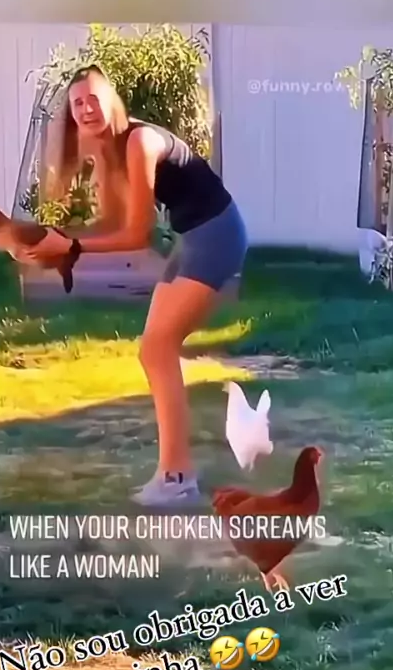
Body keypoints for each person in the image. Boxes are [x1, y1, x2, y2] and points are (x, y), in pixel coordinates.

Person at [18, 65, 250, 506]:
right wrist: (56, 240)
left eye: (93, 98)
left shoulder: (139, 142)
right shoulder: (108, 152)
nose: (86, 109)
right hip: (193, 237)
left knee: (159, 348)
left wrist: (69, 247)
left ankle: (177, 478)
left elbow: (135, 235)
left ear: (112, 101)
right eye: (77, 104)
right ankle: (175, 474)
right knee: (153, 350)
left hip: (217, 234)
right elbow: (112, 224)